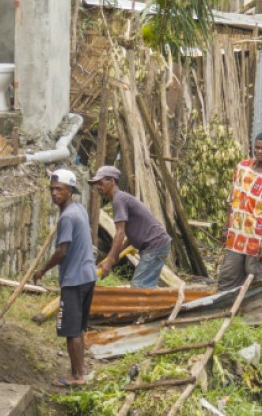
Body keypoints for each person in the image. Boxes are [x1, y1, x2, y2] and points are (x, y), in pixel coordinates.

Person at [33, 169, 96, 387]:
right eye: (52, 189)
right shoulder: (78, 209)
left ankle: (77, 377)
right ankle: (81, 369)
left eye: (59, 189)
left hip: (74, 279)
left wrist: (42, 271)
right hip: (88, 276)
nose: (54, 193)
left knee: (71, 330)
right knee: (77, 326)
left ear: (70, 191)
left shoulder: (68, 217)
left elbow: (62, 252)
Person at [217, 132, 262, 291]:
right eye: (257, 148)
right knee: (227, 276)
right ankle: (223, 310)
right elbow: (232, 200)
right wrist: (227, 227)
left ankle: (258, 311)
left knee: (257, 278)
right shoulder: (242, 167)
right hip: (236, 234)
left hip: (258, 236)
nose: (260, 152)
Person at [91, 166, 173, 288]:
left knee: (139, 286)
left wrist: (109, 261)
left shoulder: (118, 200)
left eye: (101, 183)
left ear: (112, 181)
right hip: (156, 244)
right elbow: (131, 236)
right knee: (144, 285)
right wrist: (113, 257)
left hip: (155, 245)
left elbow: (120, 233)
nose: (98, 187)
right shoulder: (121, 199)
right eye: (96, 184)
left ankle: (145, 307)